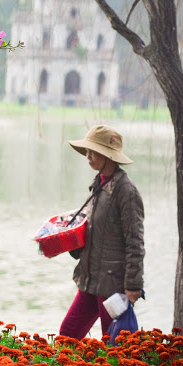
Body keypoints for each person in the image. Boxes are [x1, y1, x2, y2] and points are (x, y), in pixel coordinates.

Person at [59, 124, 144, 339]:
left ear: (107, 155)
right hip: (90, 280)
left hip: (112, 285)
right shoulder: (99, 184)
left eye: (92, 151)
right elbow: (96, 230)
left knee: (114, 344)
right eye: (86, 151)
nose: (87, 156)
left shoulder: (126, 191)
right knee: (67, 335)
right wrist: (72, 239)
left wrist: (133, 285)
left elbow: (135, 242)